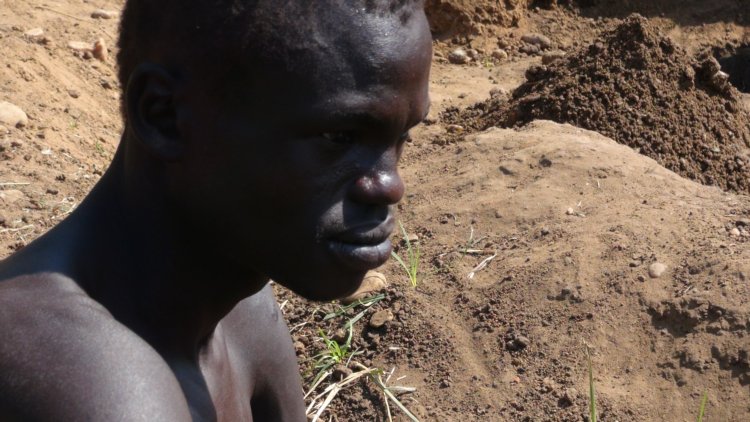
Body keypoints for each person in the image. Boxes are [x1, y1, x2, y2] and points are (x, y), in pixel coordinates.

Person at [0, 0, 432, 420]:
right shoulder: (85, 380)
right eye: (339, 137)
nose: (390, 186)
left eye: (402, 137)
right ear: (164, 115)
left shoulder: (243, 314)